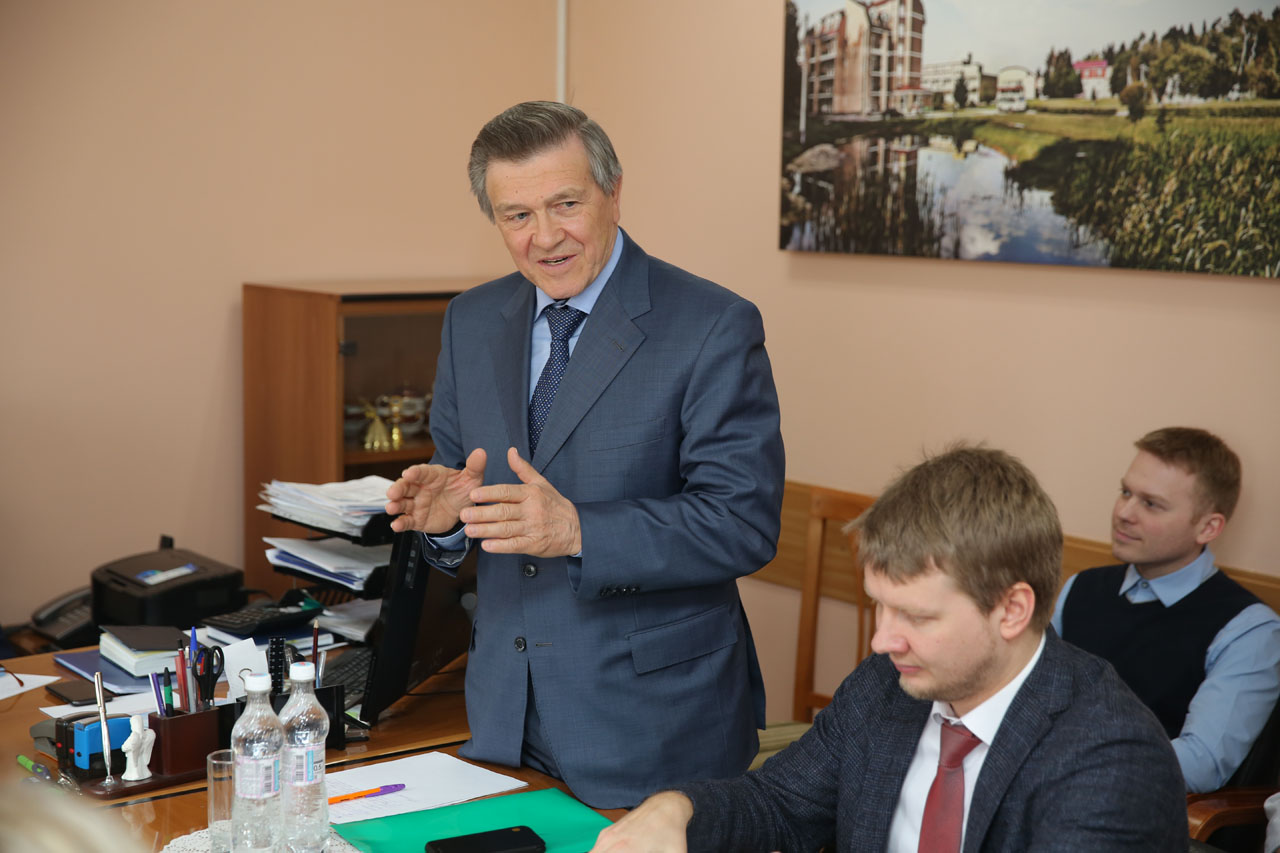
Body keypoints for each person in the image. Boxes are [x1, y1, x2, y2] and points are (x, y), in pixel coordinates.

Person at [384, 101, 785, 809]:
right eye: (516, 215)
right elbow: (464, 486)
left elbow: (742, 523)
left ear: (614, 191)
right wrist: (445, 524)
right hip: (504, 717)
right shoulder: (470, 320)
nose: (544, 237)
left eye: (565, 204)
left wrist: (578, 530)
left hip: (657, 726)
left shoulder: (713, 324)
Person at [589, 445, 1186, 852]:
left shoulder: (1110, 759)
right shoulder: (888, 684)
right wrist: (678, 808)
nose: (882, 641)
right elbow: (780, 804)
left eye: (917, 616)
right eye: (880, 604)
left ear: (1011, 610)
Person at [1052, 426, 1280, 793]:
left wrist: (1068, 760)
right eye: (1126, 492)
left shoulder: (1248, 629)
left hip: (1133, 805)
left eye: (1151, 504)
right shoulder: (1081, 587)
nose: (1124, 513)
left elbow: (1201, 764)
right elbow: (1032, 697)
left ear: (1208, 527)